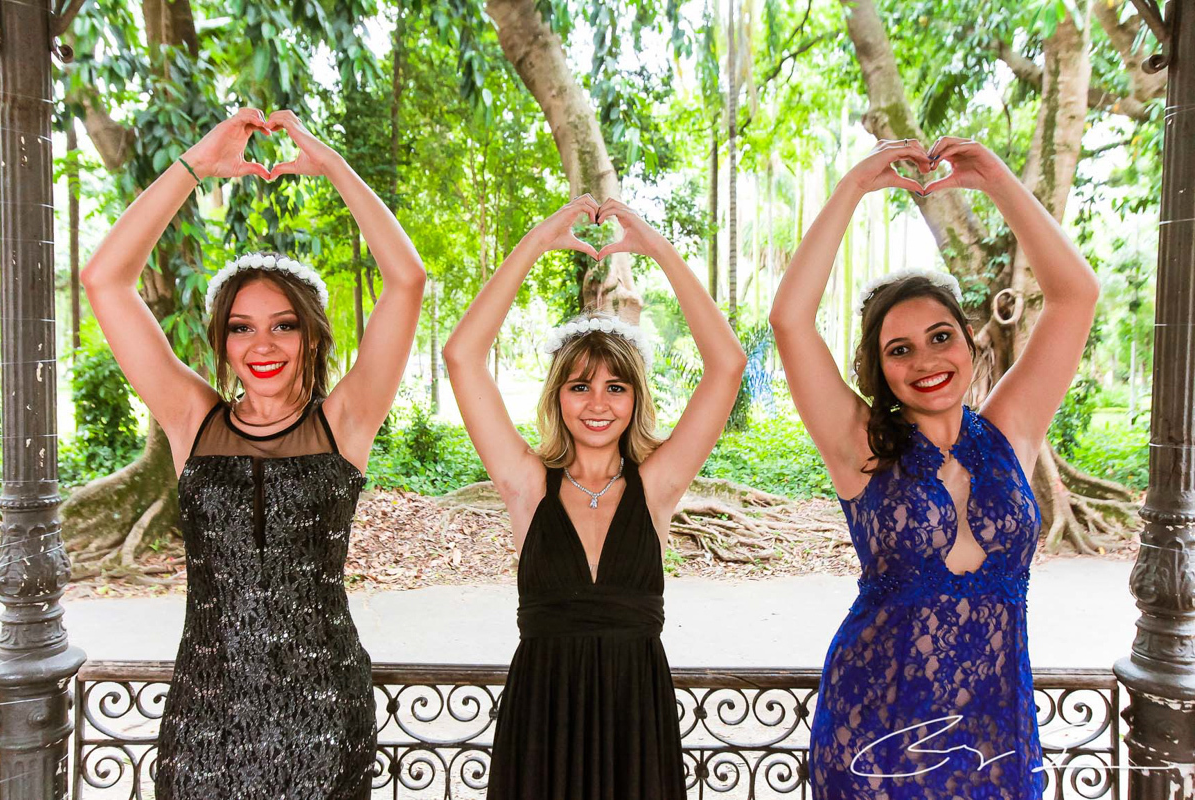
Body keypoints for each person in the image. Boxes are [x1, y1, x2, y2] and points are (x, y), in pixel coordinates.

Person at [79, 108, 426, 799]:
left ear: (312, 335)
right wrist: (195, 167)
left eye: (283, 325)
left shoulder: (346, 422)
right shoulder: (192, 419)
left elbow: (407, 280)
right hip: (206, 717)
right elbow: (104, 280)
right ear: (222, 340)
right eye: (241, 328)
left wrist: (331, 166)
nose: (261, 346)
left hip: (324, 713)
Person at [769, 137, 1099, 799]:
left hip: (995, 734)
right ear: (881, 370)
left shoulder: (1011, 430)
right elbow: (789, 319)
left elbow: (1075, 294)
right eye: (900, 349)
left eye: (940, 337)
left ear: (969, 342)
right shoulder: (862, 447)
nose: (925, 360)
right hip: (876, 733)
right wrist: (854, 187)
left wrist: (997, 179)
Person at [443, 195, 745, 799]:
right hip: (543, 724)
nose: (598, 404)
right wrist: (534, 243)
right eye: (580, 386)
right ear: (557, 397)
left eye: (616, 387)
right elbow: (462, 355)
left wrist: (657, 249)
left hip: (636, 722)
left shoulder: (657, 485)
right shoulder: (528, 485)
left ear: (636, 397)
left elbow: (727, 365)